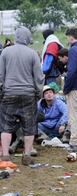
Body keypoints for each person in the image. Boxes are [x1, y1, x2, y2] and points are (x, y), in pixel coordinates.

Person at [0, 26, 44, 165]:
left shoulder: (5, 52)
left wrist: (3, 90)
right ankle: (26, 155)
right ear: (28, 38)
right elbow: (38, 77)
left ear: (16, 37)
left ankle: (5, 155)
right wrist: (38, 92)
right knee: (29, 126)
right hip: (28, 94)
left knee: (6, 126)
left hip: (9, 93)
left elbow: (1, 75)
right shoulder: (32, 54)